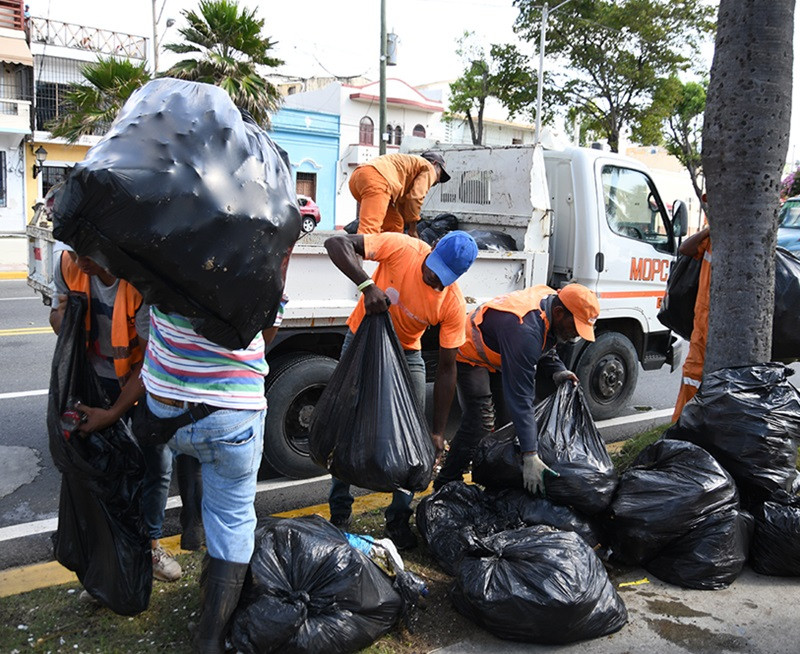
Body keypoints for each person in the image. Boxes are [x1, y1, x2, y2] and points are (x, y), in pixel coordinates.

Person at [140, 296, 286, 654]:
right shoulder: (260, 252)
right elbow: (267, 329)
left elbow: (145, 312)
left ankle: (140, 569)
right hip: (231, 412)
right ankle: (210, 639)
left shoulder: (165, 243)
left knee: (149, 481)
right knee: (231, 521)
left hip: (163, 407)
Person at [324, 230, 478, 549]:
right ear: (431, 250)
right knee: (347, 425)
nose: (435, 282)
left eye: (444, 279)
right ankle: (339, 512)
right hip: (363, 339)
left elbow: (449, 369)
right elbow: (335, 244)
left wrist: (437, 433)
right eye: (433, 272)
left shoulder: (452, 304)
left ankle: (397, 518)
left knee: (414, 438)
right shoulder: (401, 248)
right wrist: (367, 285)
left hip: (407, 354)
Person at [49, 249, 182, 583]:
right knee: (100, 471)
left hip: (142, 382)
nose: (80, 264)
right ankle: (109, 557)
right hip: (93, 382)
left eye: (88, 254)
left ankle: (149, 546)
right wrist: (64, 321)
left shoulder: (140, 279)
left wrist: (113, 413)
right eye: (74, 253)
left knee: (156, 467)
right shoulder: (68, 264)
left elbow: (151, 359)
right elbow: (57, 319)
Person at [433, 283, 601, 496]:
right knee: (480, 420)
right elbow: (521, 398)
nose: (576, 336)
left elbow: (546, 341)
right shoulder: (524, 330)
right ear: (559, 313)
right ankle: (446, 482)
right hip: (469, 350)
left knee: (509, 425)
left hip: (501, 351)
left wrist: (558, 370)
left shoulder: (552, 301)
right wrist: (530, 454)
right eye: (575, 327)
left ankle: (496, 482)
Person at [349, 151, 451, 236]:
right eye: (440, 175)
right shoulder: (429, 167)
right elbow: (415, 198)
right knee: (369, 230)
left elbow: (404, 204)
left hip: (357, 178)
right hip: (376, 178)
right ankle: (348, 253)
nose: (438, 181)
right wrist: (413, 229)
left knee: (395, 224)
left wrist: (409, 226)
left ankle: (391, 259)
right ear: (435, 164)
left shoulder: (410, 167)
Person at [672, 223, 711, 421]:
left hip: (711, 323)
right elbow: (685, 249)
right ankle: (681, 426)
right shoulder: (710, 236)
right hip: (703, 323)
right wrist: (708, 230)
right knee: (692, 377)